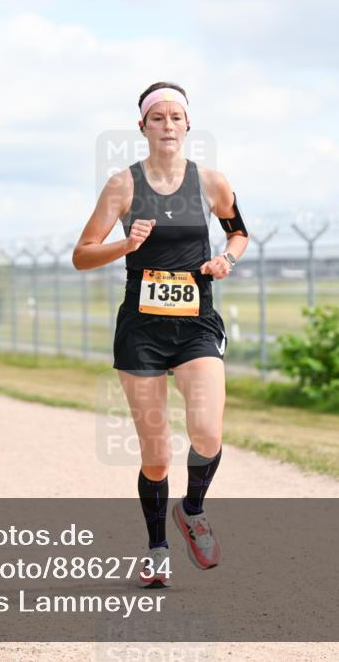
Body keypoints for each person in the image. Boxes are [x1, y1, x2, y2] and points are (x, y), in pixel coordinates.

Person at [72, 82, 249, 588]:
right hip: (142, 331)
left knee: (208, 431)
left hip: (196, 325)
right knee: (156, 455)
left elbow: (239, 230)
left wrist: (226, 259)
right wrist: (125, 244)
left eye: (176, 117)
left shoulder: (211, 182)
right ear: (143, 127)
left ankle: (192, 510)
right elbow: (82, 253)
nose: (168, 126)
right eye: (158, 118)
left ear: (188, 125)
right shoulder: (122, 186)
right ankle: (156, 550)